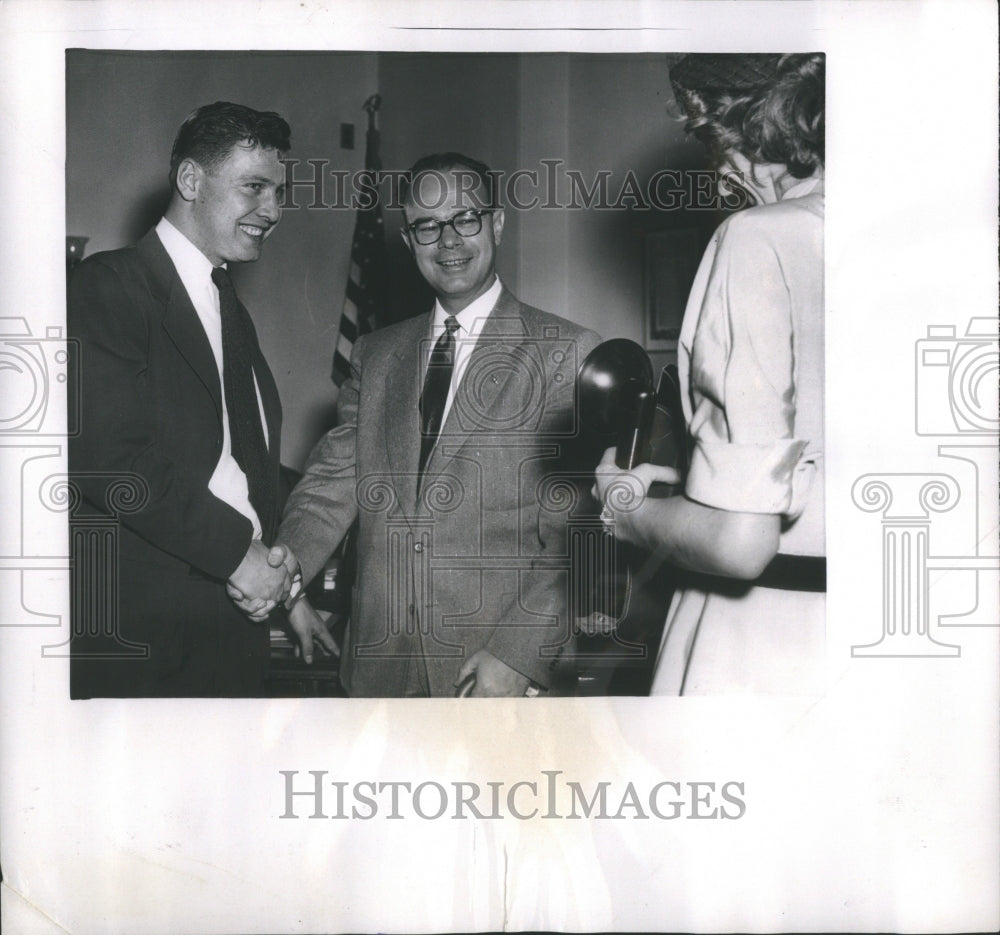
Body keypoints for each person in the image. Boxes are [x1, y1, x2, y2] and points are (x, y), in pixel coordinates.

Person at [266, 153, 601, 697]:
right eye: (426, 225)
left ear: (496, 223)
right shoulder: (375, 355)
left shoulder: (565, 352)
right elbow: (332, 486)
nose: (447, 241)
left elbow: (578, 535)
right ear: (408, 242)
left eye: (465, 219)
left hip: (491, 669)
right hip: (379, 668)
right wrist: (286, 576)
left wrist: (517, 656)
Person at [593, 53, 826, 695]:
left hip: (764, 643)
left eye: (710, 141)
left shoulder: (758, 237)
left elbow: (739, 543)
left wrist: (628, 509)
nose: (718, 171)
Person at [68, 101, 298, 697]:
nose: (272, 210)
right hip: (147, 638)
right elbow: (109, 458)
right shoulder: (108, 285)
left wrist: (274, 574)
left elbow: (239, 462)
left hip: (233, 625)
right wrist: (236, 555)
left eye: (280, 193)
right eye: (255, 187)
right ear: (191, 180)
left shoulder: (228, 306)